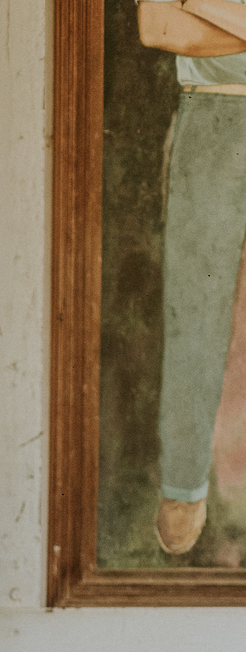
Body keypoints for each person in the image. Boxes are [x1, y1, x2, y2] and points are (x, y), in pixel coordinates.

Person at [138, 0, 246, 556]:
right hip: (215, 116)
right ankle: (185, 484)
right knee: (195, 314)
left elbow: (187, 23)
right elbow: (159, 26)